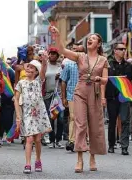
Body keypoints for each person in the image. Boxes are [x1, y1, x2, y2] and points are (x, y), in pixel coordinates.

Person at [50, 26, 108, 173]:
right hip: (80, 92)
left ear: (99, 44)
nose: (90, 39)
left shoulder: (103, 60)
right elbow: (62, 50)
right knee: (80, 124)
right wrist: (57, 36)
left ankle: (92, 157)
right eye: (89, 38)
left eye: (93, 38)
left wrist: (99, 79)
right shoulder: (80, 56)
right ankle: (79, 159)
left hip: (94, 93)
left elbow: (105, 80)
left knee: (94, 126)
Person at [14, 60, 51, 174]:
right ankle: (28, 163)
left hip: (39, 114)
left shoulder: (38, 81)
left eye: (32, 68)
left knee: (38, 139)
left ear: (36, 72)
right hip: (27, 114)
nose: (29, 69)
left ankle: (38, 160)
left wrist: (44, 61)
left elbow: (44, 70)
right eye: (28, 67)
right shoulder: (21, 83)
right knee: (29, 139)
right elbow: (16, 99)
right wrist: (18, 116)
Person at [106, 42, 131, 155]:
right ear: (115, 51)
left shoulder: (129, 66)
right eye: (121, 49)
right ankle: (111, 145)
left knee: (125, 121)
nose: (123, 51)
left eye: (124, 49)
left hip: (125, 97)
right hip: (112, 97)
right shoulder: (109, 65)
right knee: (112, 121)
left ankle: (124, 146)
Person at [60, 43, 84, 152]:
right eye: (75, 50)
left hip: (85, 95)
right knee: (73, 117)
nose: (77, 53)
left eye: (80, 51)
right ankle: (72, 141)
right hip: (71, 95)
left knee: (83, 118)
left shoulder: (87, 64)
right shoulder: (69, 64)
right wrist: (63, 97)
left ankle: (83, 140)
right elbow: (63, 81)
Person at [43, 47, 64, 149]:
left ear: (57, 56)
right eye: (50, 54)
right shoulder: (45, 65)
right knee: (50, 118)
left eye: (54, 54)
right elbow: (42, 78)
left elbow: (65, 80)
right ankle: (51, 140)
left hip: (58, 95)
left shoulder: (61, 66)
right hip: (47, 95)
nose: (52, 55)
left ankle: (59, 140)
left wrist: (60, 77)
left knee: (60, 118)